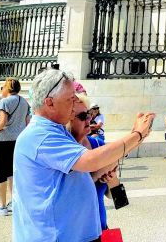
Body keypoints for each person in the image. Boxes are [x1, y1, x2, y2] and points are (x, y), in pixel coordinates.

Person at [13, 68, 153, 242]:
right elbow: (90, 161)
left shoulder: (57, 132)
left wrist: (137, 137)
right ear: (49, 103)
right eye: (70, 100)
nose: (74, 107)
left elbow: (89, 180)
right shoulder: (41, 135)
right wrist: (137, 135)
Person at [0, 77, 30, 216]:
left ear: (8, 87)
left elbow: (2, 122)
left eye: (3, 86)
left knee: (0, 173)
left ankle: (2, 207)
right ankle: (14, 202)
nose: (2, 89)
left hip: (3, 140)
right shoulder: (24, 102)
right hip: (18, 140)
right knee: (12, 172)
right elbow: (27, 121)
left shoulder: (4, 102)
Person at [68, 94, 110, 232]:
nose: (88, 119)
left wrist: (111, 178)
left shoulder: (99, 144)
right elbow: (70, 196)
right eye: (82, 116)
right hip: (73, 233)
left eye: (88, 114)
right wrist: (95, 175)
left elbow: (117, 198)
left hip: (101, 229)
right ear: (67, 120)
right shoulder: (62, 151)